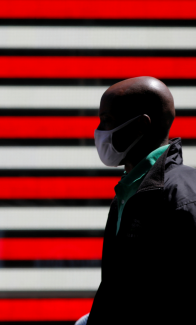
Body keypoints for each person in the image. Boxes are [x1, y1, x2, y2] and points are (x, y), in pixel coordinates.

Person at [75, 76, 196, 325]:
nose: (100, 131)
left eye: (107, 120)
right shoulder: (129, 193)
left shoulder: (182, 196)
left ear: (140, 126)